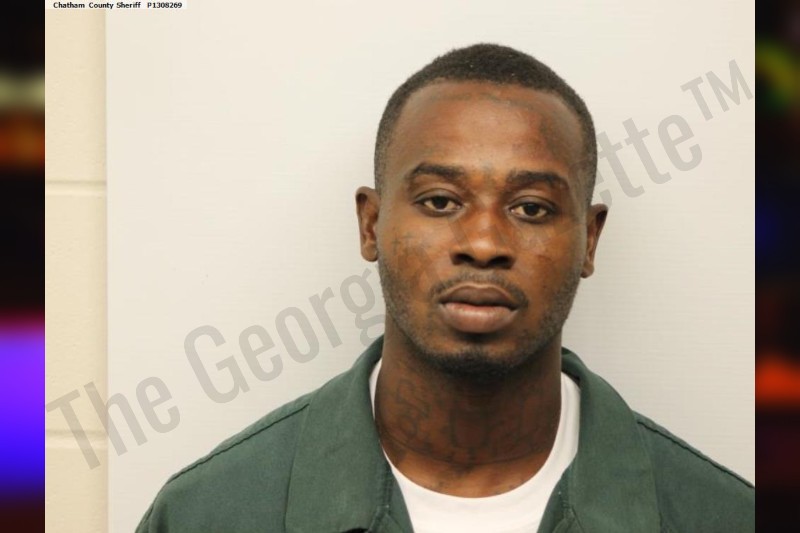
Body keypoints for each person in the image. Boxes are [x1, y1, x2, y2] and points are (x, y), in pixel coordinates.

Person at [136, 43, 754, 532]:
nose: (483, 243)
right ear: (371, 225)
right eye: (439, 201)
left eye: (532, 208)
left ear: (589, 241)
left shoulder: (723, 516)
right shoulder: (207, 514)